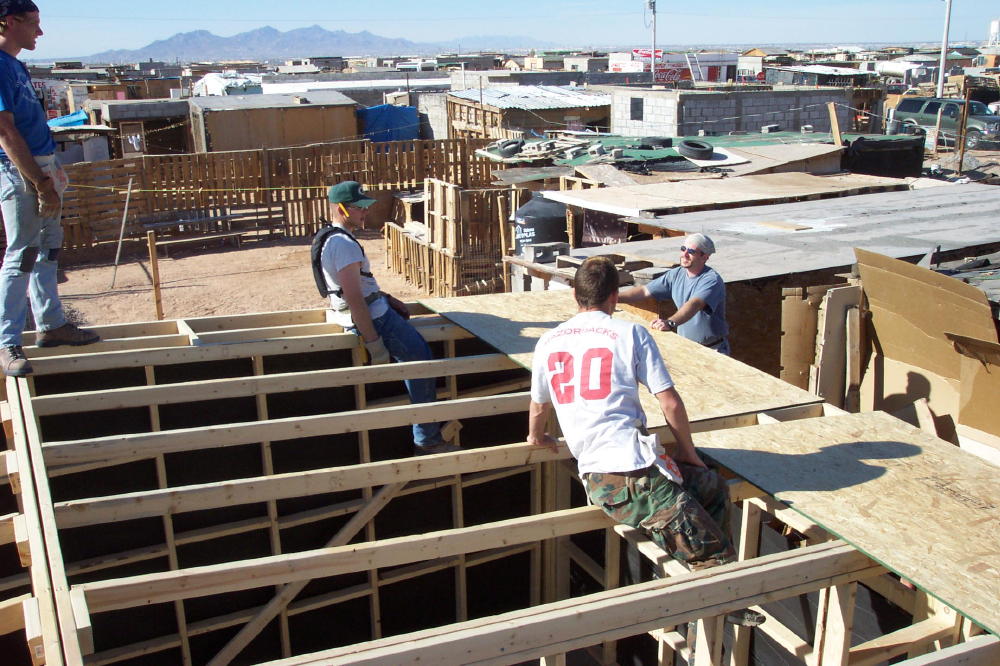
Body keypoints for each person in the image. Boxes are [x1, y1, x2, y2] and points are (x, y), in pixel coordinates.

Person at [320, 180, 456, 455]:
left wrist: (387, 297)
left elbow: (360, 286)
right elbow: (355, 297)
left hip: (375, 309)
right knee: (421, 363)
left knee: (418, 360)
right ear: (342, 209)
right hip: (376, 318)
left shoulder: (330, 238)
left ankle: (426, 437)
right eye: (359, 208)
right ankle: (427, 440)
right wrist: (373, 342)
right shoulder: (343, 245)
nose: (365, 213)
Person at [0, 0, 99, 377]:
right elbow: (6, 131)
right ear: (9, 22)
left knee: (48, 249)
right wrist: (39, 182)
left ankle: (51, 325)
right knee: (22, 253)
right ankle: (7, 342)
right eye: (33, 24)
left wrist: (50, 172)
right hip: (19, 169)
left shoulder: (15, 65)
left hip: (42, 164)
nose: (39, 33)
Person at [619, 233, 729, 355]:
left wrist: (670, 323)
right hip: (686, 348)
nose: (685, 254)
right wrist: (613, 298)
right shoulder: (676, 274)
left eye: (691, 251)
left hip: (712, 351)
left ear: (705, 257)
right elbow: (644, 291)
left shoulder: (711, 280)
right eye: (683, 249)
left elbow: (694, 304)